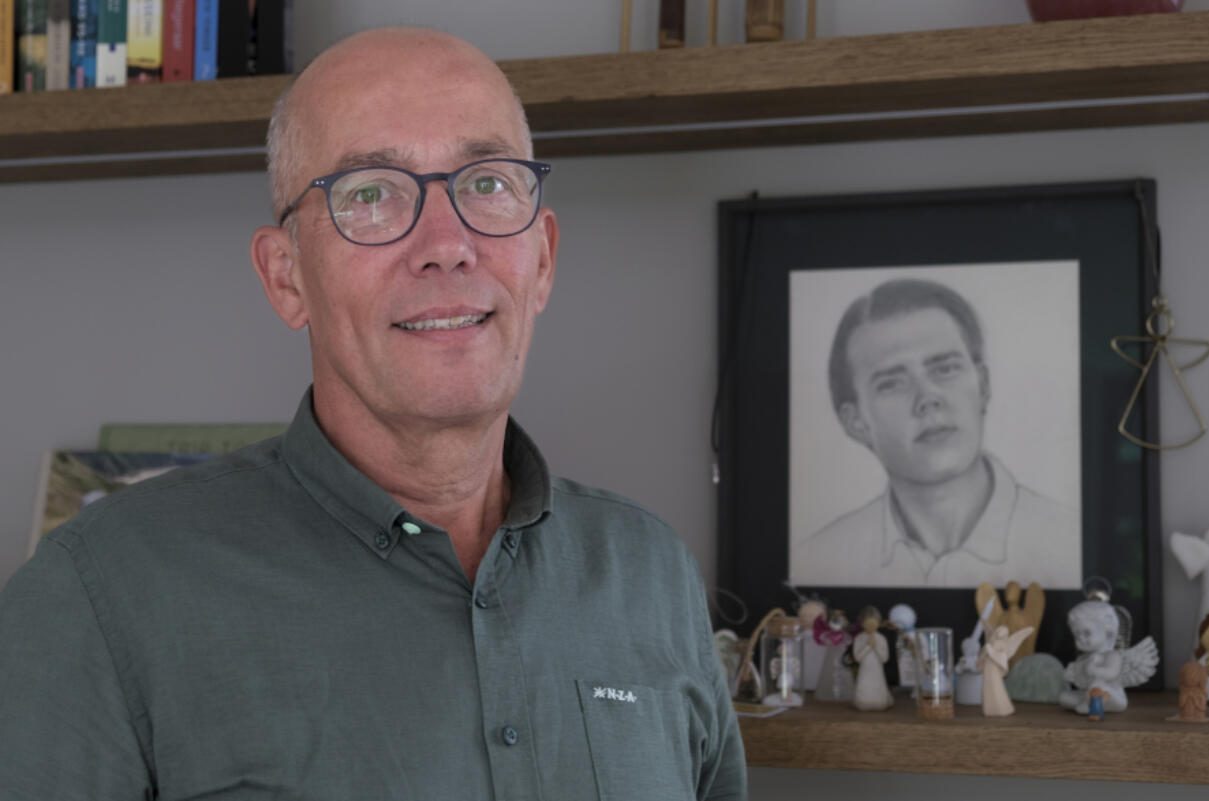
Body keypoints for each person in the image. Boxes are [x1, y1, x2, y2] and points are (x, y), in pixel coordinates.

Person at [0, 28, 746, 800]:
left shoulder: (651, 574)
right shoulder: (98, 598)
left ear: (543, 258)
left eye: (487, 182)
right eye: (370, 194)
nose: (448, 245)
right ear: (285, 277)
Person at [795, 277, 1080, 588]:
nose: (928, 399)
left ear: (982, 386)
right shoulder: (813, 563)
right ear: (855, 423)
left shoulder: (1071, 543)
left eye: (944, 369)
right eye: (892, 383)